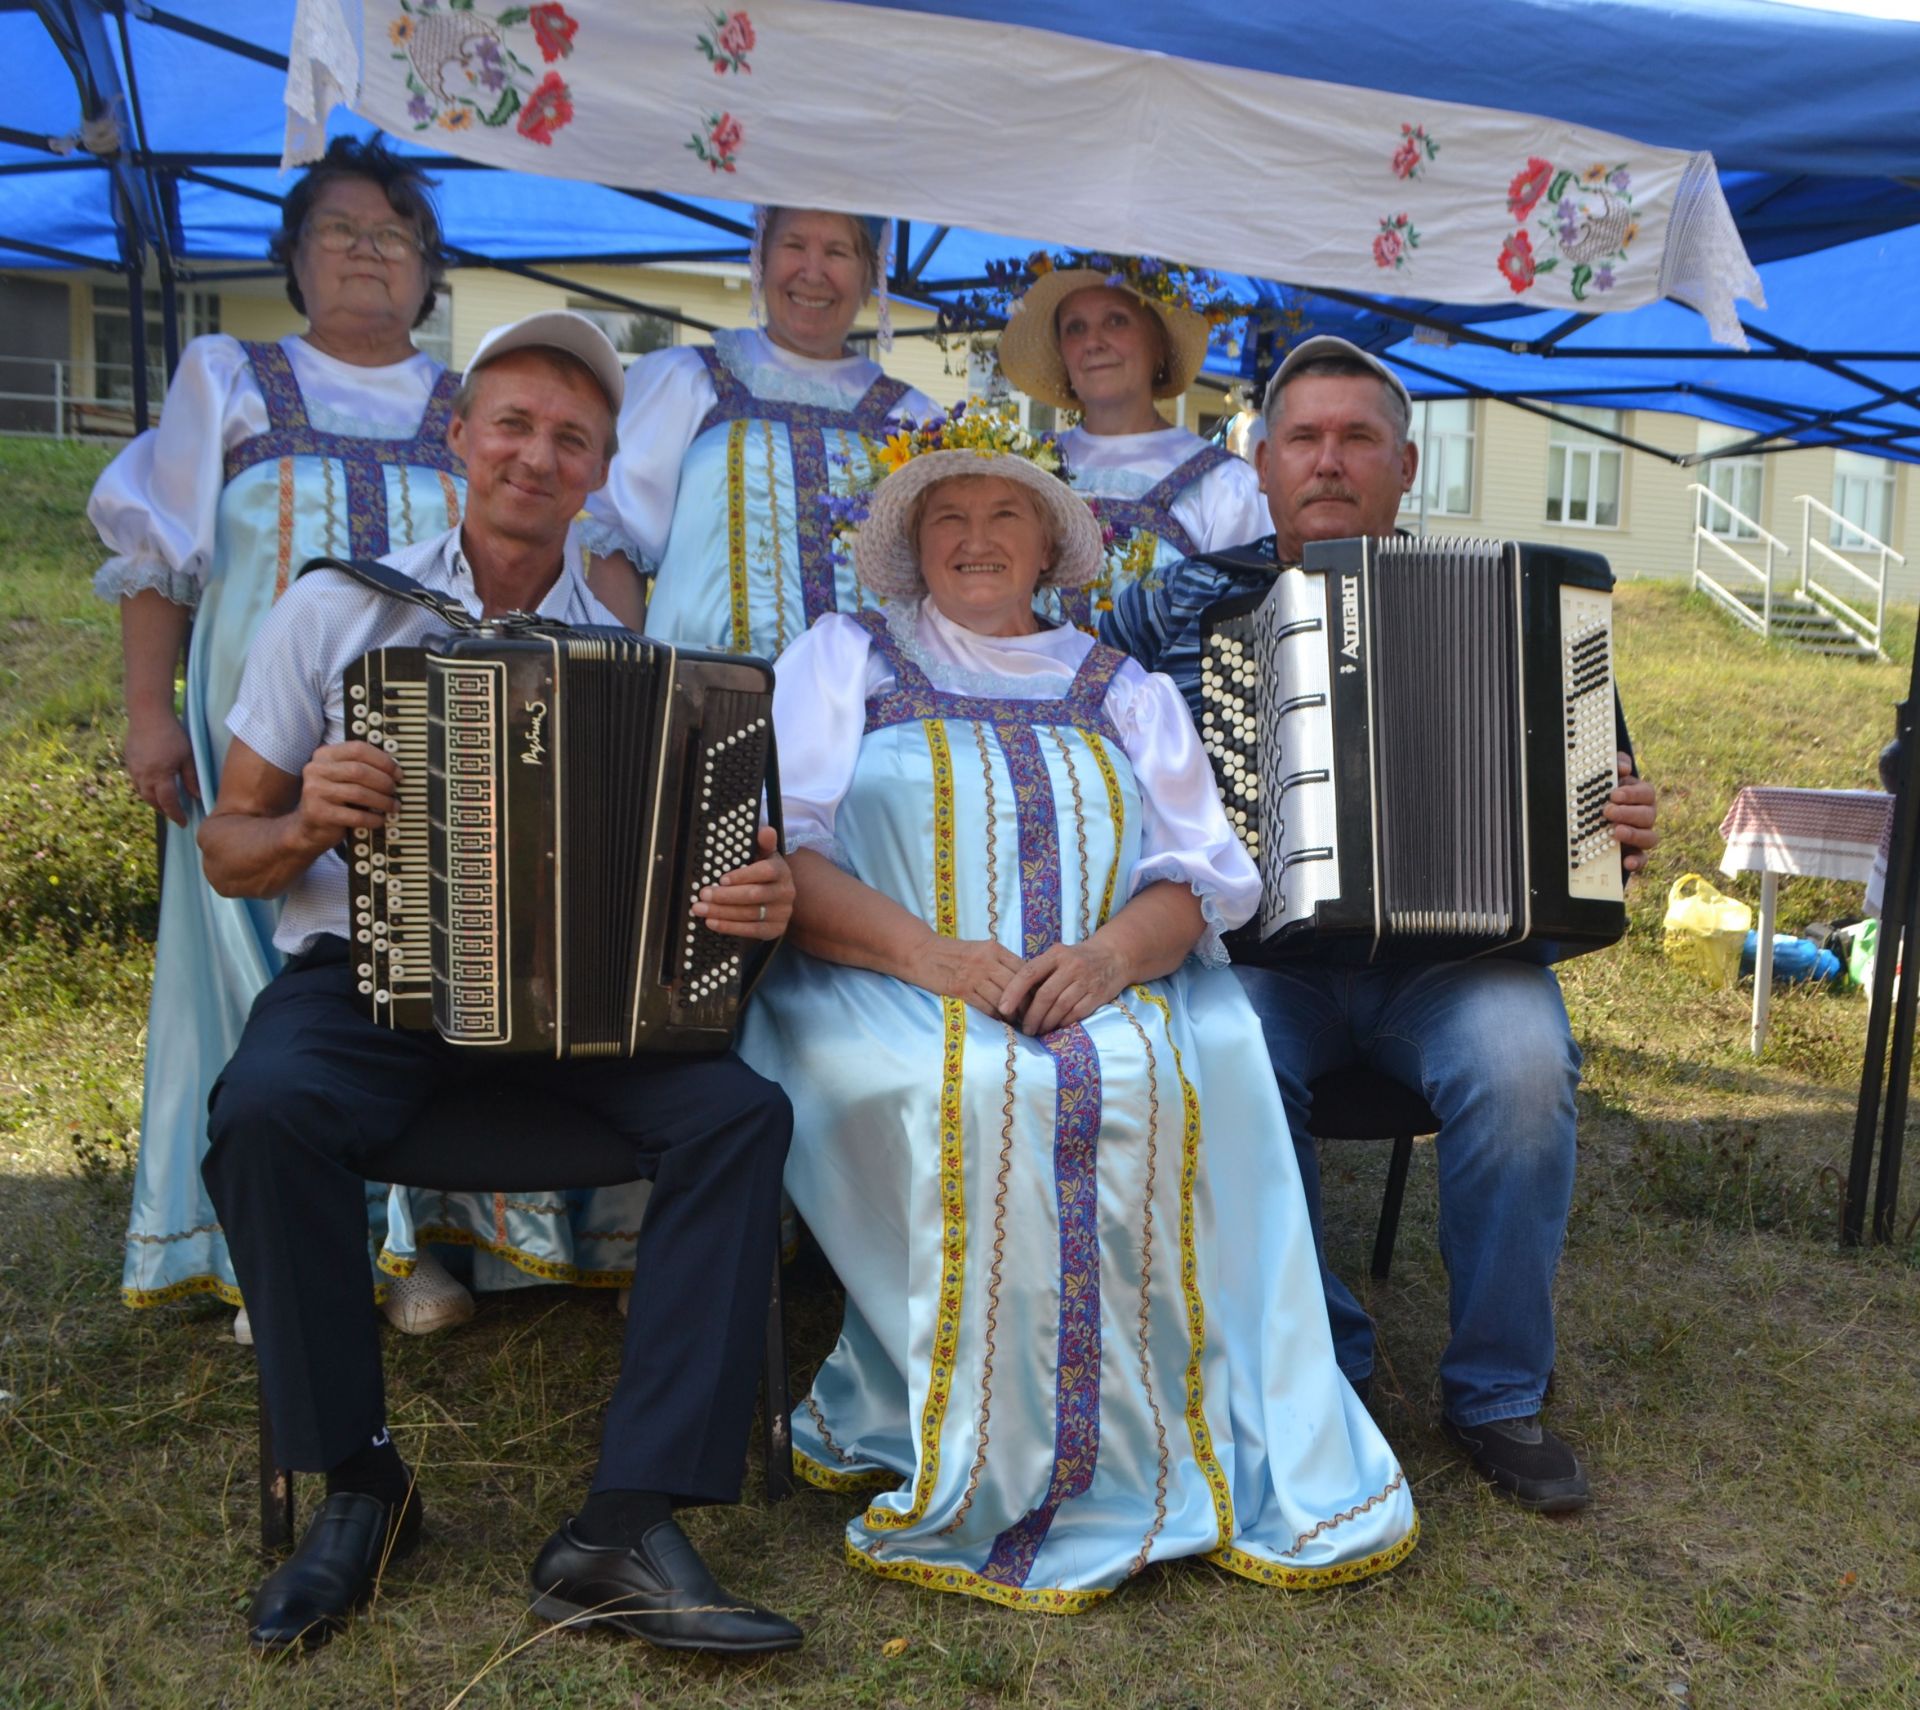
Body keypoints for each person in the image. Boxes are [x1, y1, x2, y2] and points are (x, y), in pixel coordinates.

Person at [196, 310, 802, 1656]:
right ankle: (358, 1480)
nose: (537, 455)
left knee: (738, 1115)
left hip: (582, 1006)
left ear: (598, 476)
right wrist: (304, 820)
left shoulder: (639, 650)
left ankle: (620, 1524)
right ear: (459, 437)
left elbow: (708, 884)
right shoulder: (334, 605)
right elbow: (226, 845)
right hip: (371, 983)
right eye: (513, 424)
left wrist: (752, 901)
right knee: (263, 1109)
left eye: (570, 438)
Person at [738, 422, 1417, 1609]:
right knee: (995, 1090)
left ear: (1053, 542)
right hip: (876, 977)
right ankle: (1004, 1448)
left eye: (1005, 516)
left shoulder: (1123, 686)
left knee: (1174, 1077)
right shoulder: (844, 657)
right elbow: (787, 858)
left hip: (1107, 980)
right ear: (912, 546)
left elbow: (1198, 878)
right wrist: (937, 958)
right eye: (946, 518)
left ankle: (1164, 1432)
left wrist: (1108, 959)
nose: (975, 539)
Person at [1101, 336, 1660, 1513]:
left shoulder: (1520, 602)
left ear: (1407, 466)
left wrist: (1620, 818)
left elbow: (1601, 788)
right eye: (1303, 438)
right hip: (1259, 965)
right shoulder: (1170, 609)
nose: (1329, 462)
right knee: (1228, 1059)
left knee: (1520, 1069)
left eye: (1359, 439)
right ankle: (1331, 1370)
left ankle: (1498, 1394)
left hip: (1454, 965)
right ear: (1258, 463)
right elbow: (1086, 763)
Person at [89, 135, 479, 1340]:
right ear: (296, 256)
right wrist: (150, 716)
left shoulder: (465, 402)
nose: (368, 254)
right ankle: (283, 1250)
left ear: (426, 267)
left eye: (394, 236)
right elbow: (163, 550)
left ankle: (417, 1247)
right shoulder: (230, 373)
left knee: (416, 976)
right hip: (252, 745)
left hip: (430, 761)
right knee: (267, 988)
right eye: (341, 232)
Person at [579, 205, 938, 653]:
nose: (813, 271)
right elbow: (618, 553)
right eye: (794, 245)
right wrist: (623, 687)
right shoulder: (688, 381)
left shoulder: (913, 419)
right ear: (761, 260)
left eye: (837, 252)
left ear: (870, 277)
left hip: (869, 709)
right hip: (700, 701)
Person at [994, 258, 1264, 626]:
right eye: (1075, 328)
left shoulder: (1223, 484)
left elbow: (1245, 627)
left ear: (1158, 345)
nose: (1092, 342)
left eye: (1116, 320)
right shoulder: (1026, 469)